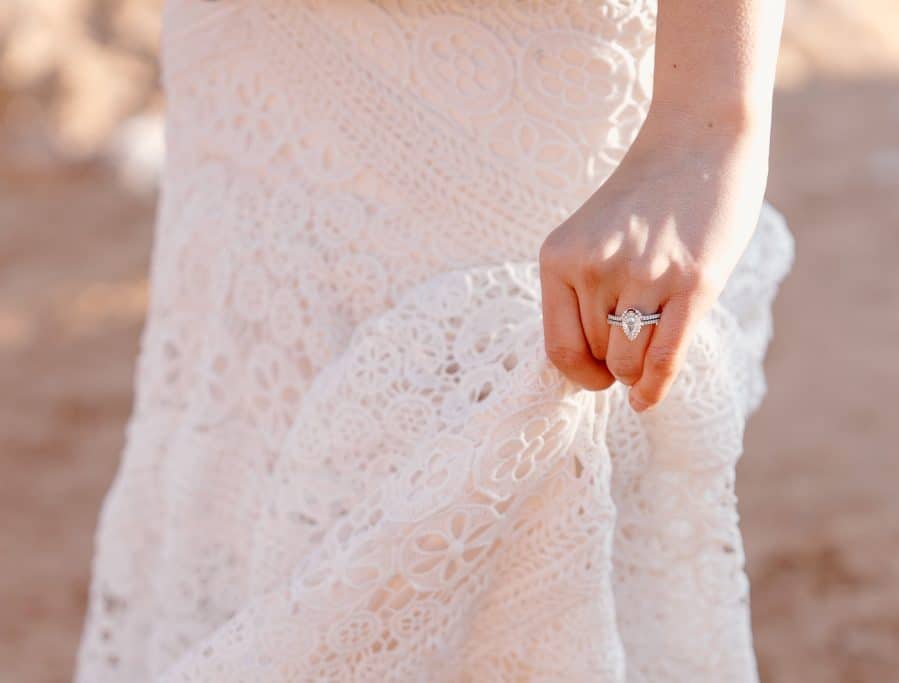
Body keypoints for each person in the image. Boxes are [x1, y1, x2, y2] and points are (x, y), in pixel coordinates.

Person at [75, 0, 793, 681]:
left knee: (529, 483)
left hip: (515, 67)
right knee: (251, 441)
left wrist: (708, 116)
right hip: (249, 57)